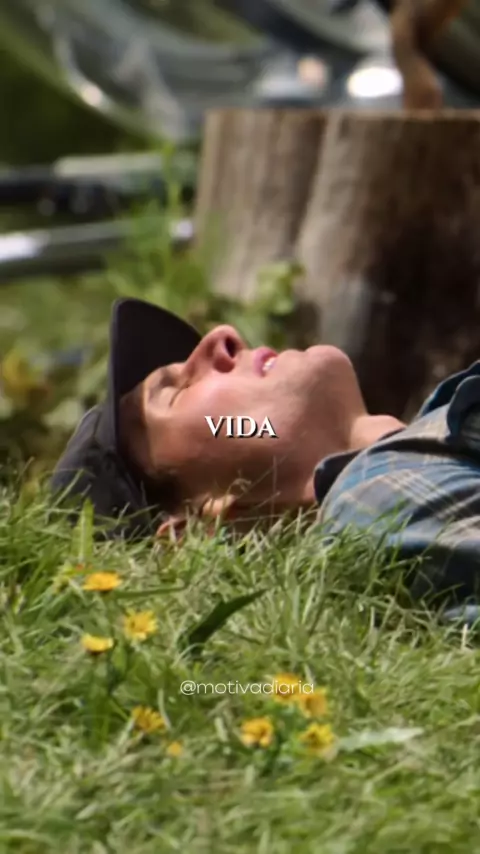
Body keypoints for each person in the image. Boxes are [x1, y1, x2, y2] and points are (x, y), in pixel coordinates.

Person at [52, 297, 480, 612]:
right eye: (177, 392)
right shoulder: (373, 507)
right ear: (197, 534)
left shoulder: (442, 437)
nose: (221, 336)